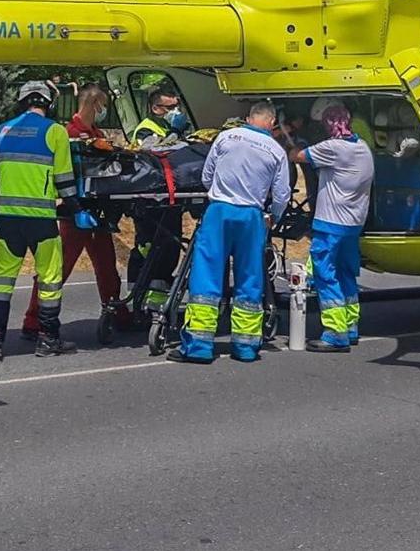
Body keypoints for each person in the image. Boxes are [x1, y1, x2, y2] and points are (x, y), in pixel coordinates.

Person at [172, 101, 290, 364]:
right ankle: (245, 347)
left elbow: (207, 176)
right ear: (272, 122)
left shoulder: (226, 137)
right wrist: (274, 217)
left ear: (249, 118)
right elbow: (282, 194)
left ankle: (199, 346)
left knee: (206, 274)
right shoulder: (276, 150)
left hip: (220, 212)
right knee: (250, 277)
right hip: (252, 216)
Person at [0, 80, 79, 361]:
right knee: (49, 279)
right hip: (42, 220)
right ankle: (48, 339)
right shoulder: (56, 132)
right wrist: (75, 207)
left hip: (8, 220)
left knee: (1, 281)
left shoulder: (2, 130)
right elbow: (64, 180)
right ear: (48, 103)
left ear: (21, 102)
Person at [19, 84, 128, 339]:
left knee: (107, 266)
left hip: (97, 210)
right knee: (59, 267)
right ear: (94, 104)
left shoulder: (95, 133)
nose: (104, 110)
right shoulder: (69, 133)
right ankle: (33, 319)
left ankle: (116, 313)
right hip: (74, 210)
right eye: (103, 105)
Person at [289, 105, 374, 352]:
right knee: (346, 274)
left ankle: (335, 332)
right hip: (353, 223)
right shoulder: (363, 148)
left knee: (325, 274)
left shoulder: (333, 148)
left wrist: (291, 137)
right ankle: (350, 326)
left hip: (330, 222)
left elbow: (298, 156)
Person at [127, 87, 189, 320]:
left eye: (176, 106)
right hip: (151, 200)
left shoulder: (167, 128)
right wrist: (174, 132)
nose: (176, 111)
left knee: (169, 248)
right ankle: (141, 303)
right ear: (156, 108)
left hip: (168, 197)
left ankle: (156, 303)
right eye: (170, 108)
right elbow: (153, 150)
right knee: (149, 249)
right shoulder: (146, 129)